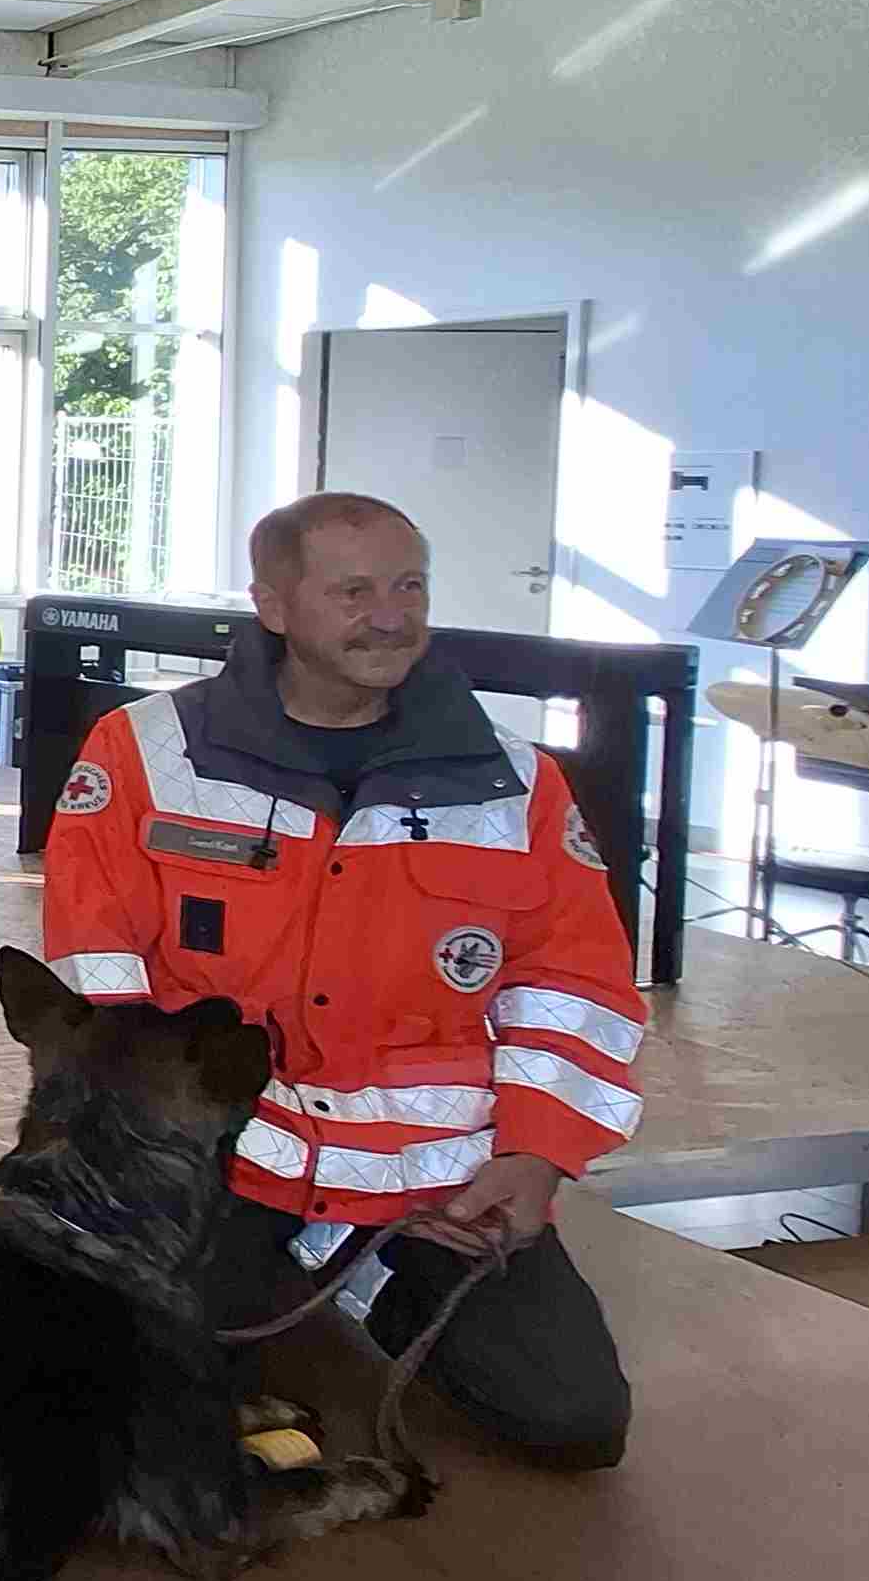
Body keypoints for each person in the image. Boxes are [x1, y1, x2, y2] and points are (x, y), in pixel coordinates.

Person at [42, 494, 645, 1471]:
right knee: (118, 1397)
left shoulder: (515, 784)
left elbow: (573, 985)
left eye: (410, 587)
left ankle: (367, 1282)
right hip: (225, 1155)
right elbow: (95, 974)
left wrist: (536, 1156)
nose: (390, 616)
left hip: (438, 1180)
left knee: (573, 1419)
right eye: (353, 591)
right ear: (273, 605)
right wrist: (137, 1156)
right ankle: (263, 1270)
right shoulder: (146, 754)